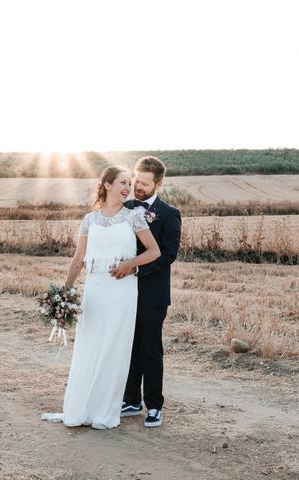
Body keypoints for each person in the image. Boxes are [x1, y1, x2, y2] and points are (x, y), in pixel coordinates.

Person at [45, 166, 160, 430]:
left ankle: (104, 412)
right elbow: (78, 259)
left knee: (114, 348)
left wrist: (131, 264)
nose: (127, 188)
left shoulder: (134, 218)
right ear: (107, 184)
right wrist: (64, 292)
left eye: (129, 184)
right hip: (95, 289)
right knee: (90, 345)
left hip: (122, 290)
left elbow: (154, 251)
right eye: (122, 182)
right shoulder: (90, 220)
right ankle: (81, 407)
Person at [110, 156, 182, 428]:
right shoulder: (124, 208)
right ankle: (130, 399)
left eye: (144, 183)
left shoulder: (169, 213)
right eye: (136, 180)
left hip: (153, 293)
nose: (137, 187)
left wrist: (136, 270)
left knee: (150, 348)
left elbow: (168, 255)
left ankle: (154, 405)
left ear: (159, 184)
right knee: (129, 345)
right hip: (123, 291)